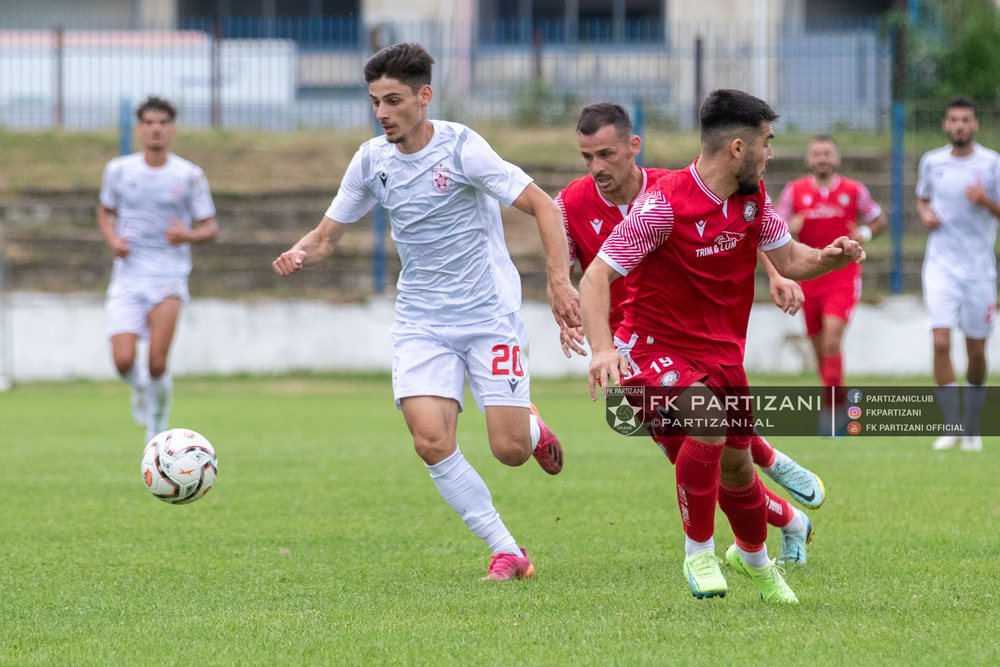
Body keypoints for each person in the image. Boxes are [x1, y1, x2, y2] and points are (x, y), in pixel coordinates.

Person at [272, 43, 580, 581]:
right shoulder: (371, 160)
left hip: (489, 316)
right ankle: (507, 549)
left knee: (507, 450)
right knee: (430, 440)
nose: (383, 113)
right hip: (422, 321)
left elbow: (543, 206)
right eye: (375, 102)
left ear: (424, 97)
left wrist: (558, 282)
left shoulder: (463, 149)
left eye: (393, 100)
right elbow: (326, 237)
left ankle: (530, 430)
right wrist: (301, 252)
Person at [581, 90, 865, 603]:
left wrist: (832, 257)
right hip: (652, 350)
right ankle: (698, 555)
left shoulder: (753, 201)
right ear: (738, 147)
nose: (771, 153)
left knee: (737, 467)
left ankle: (756, 561)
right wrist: (603, 350)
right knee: (707, 426)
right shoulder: (664, 204)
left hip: (722, 356)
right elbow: (597, 275)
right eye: (767, 142)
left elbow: (793, 258)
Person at [97, 96, 218, 442]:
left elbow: (211, 227)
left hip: (168, 276)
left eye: (163, 123)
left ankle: (158, 423)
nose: (156, 129)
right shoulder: (119, 171)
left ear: (172, 129)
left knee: (157, 363)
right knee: (122, 361)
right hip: (128, 276)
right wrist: (112, 239)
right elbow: (105, 211)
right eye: (149, 123)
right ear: (139, 129)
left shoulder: (189, 175)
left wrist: (187, 235)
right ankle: (140, 390)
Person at [776, 135, 886, 430]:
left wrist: (865, 232)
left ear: (836, 158)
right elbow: (772, 225)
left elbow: (879, 219)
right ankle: (840, 401)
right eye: (816, 154)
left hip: (843, 277)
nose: (822, 158)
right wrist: (790, 227)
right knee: (819, 350)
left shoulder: (853, 190)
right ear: (809, 160)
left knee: (832, 339)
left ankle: (833, 413)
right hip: (809, 277)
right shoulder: (794, 191)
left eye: (827, 153)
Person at [916, 97, 1000, 454]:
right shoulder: (932, 162)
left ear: (975, 124)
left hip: (979, 271)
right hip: (941, 267)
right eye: (953, 120)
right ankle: (951, 425)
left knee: (976, 352)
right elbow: (922, 198)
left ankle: (972, 422)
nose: (960, 126)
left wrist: (986, 202)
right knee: (939, 341)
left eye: (966, 119)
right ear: (945, 125)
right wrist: (924, 214)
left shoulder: (992, 163)